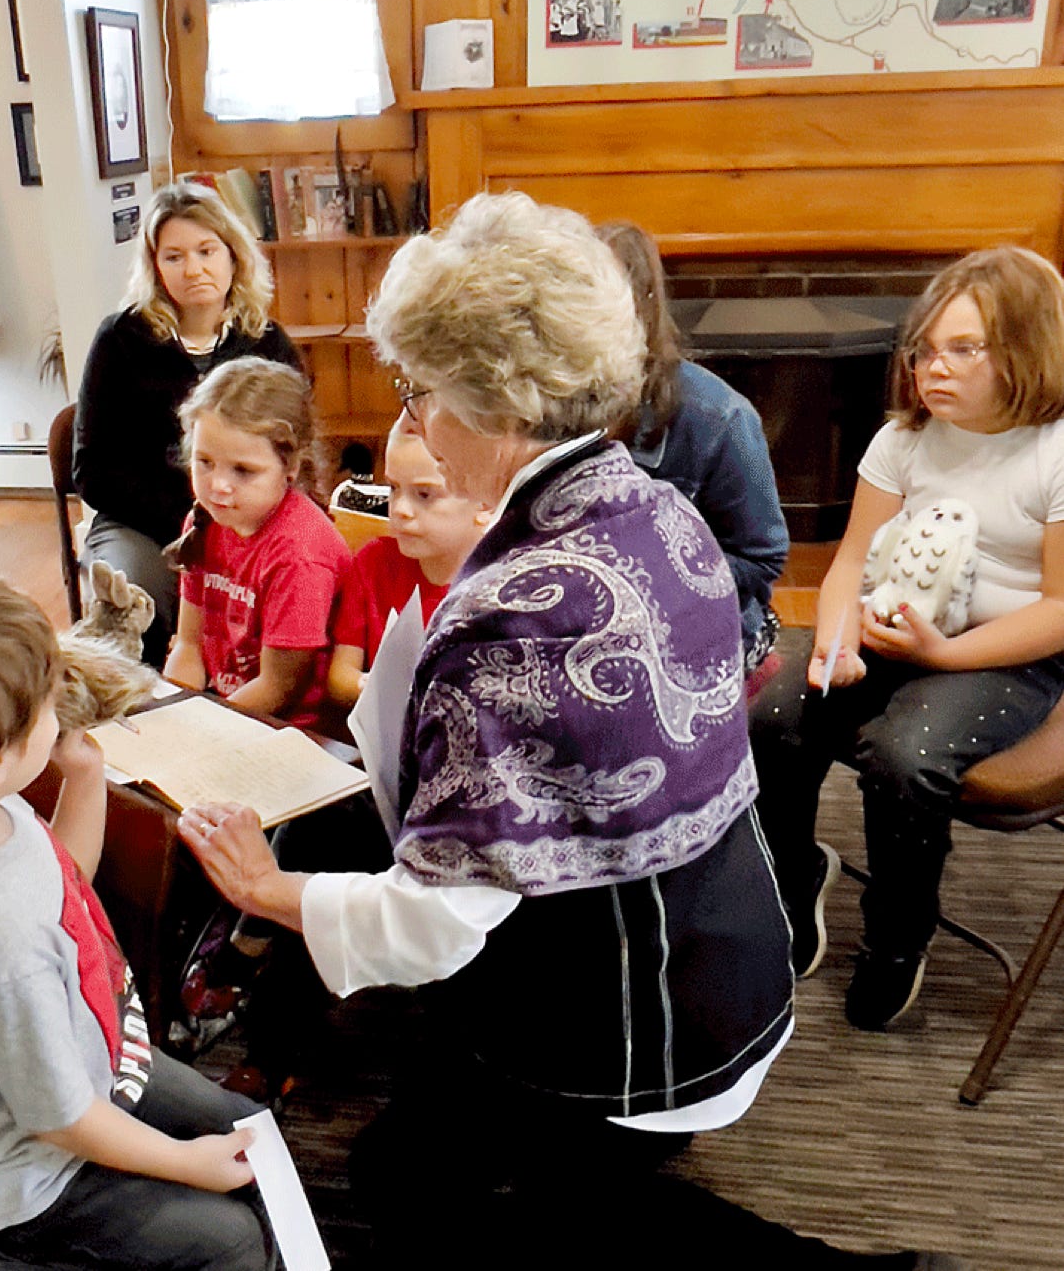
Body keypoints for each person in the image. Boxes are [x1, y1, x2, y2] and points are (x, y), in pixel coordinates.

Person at [178, 192, 964, 1271]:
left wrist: (259, 886)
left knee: (414, 1179)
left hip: (646, 1013)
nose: (411, 422)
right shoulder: (650, 503)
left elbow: (434, 925)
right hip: (727, 943)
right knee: (450, 1134)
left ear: (494, 404)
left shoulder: (511, 610)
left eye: (418, 393)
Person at [0, 572, 273, 1271]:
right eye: (43, 705)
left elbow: (63, 885)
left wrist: (84, 778)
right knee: (232, 1241)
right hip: (18, 1183)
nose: (59, 707)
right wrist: (189, 1165)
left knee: (247, 1130)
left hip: (83, 1061)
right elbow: (61, 1119)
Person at [751, 245, 1064, 1029]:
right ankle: (794, 882)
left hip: (1007, 652)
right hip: (890, 634)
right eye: (926, 350)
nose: (935, 368)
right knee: (771, 716)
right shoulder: (903, 439)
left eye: (965, 350)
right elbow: (850, 562)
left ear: (1027, 348)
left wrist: (943, 655)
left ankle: (898, 938)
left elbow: (1060, 607)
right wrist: (835, 642)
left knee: (906, 756)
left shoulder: (1054, 452)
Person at [73, 180, 301, 669]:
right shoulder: (119, 339)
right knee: (132, 597)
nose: (193, 269)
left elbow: (294, 447)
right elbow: (92, 470)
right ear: (155, 267)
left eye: (206, 251)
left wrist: (232, 520)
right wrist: (187, 521)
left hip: (249, 518)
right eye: (174, 256)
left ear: (232, 255)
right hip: (143, 525)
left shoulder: (268, 342)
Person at [596, 220, 789, 687]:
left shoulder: (720, 418)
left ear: (640, 307)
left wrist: (656, 577)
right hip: (596, 620)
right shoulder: (548, 403)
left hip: (696, 630)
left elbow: (762, 558)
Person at [165, 357, 351, 728]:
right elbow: (188, 645)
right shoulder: (205, 521)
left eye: (243, 470)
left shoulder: (300, 554)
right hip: (226, 709)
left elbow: (278, 687)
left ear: (291, 466)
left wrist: (202, 728)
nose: (218, 486)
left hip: (293, 730)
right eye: (204, 462)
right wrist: (172, 716)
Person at [327, 420, 485, 707]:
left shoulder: (498, 584)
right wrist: (370, 686)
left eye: (424, 494)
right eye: (394, 488)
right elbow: (340, 676)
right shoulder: (373, 563)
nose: (399, 509)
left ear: (484, 504)